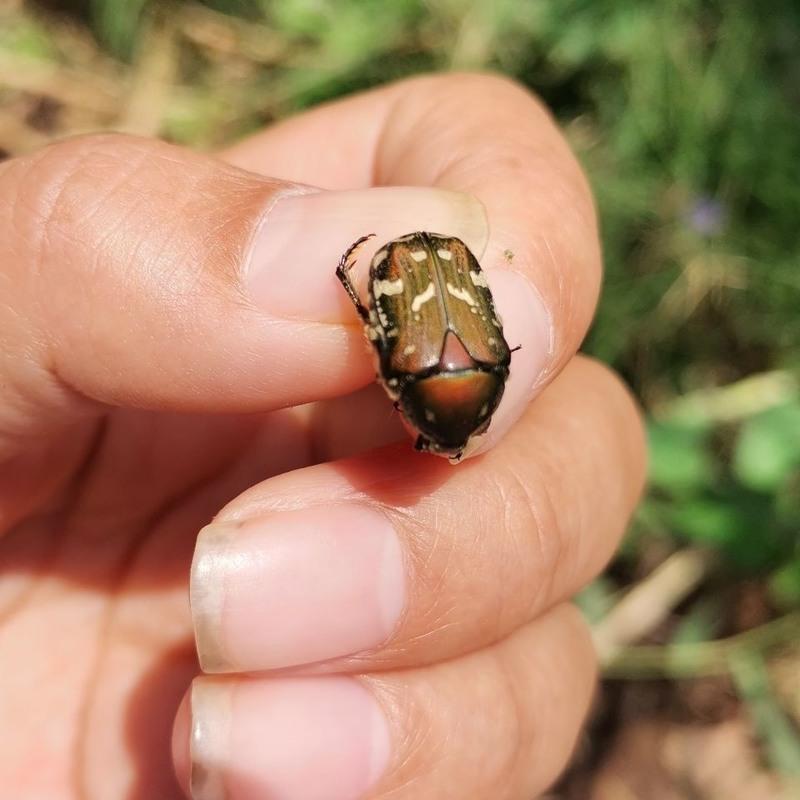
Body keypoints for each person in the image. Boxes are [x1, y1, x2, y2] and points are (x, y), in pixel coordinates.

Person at [0, 73, 645, 799]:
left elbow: (403, 345)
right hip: (424, 281)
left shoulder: (448, 371)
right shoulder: (466, 372)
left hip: (414, 282)